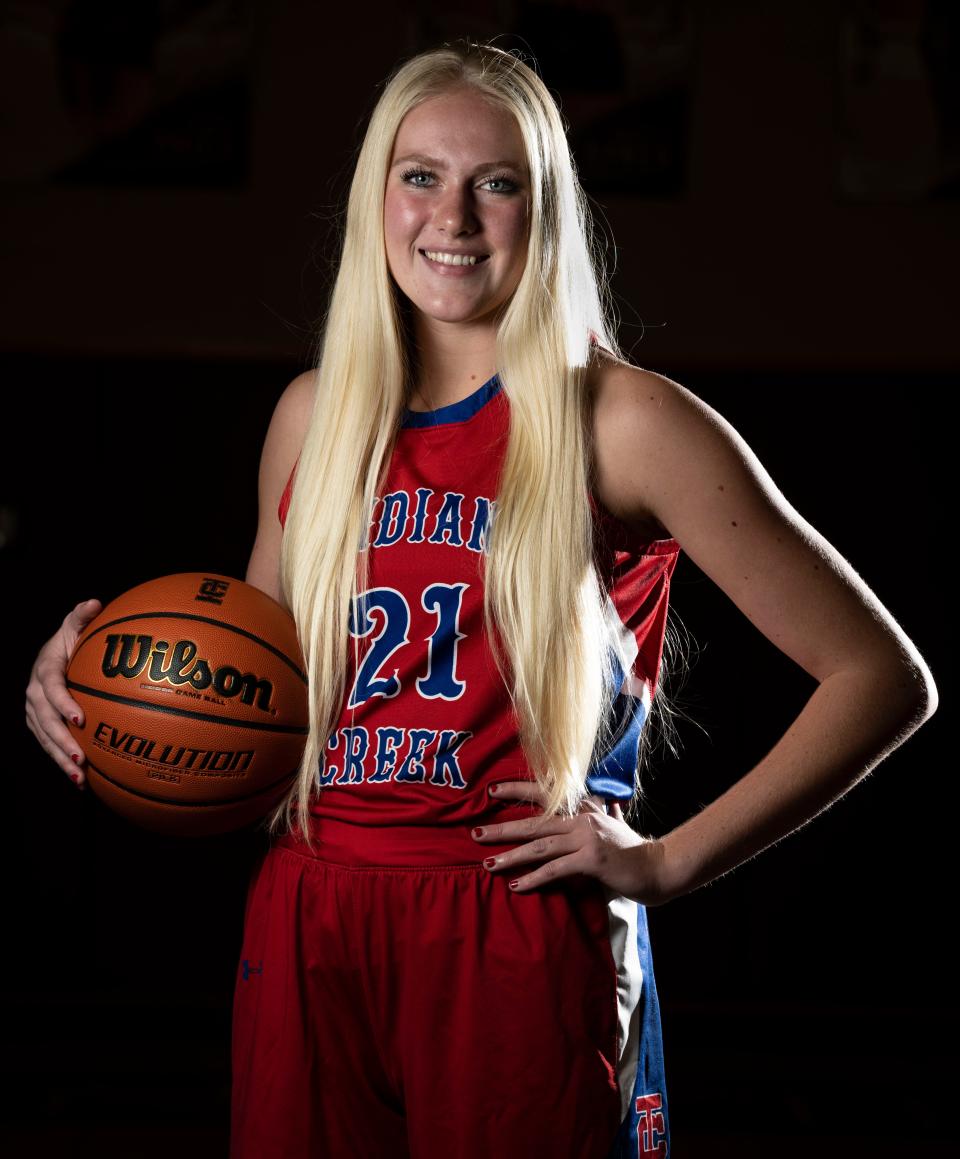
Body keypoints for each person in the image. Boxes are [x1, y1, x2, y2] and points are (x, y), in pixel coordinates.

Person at [25, 40, 936, 1159]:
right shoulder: (313, 416)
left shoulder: (626, 420)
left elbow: (883, 676)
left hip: (507, 919)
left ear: (542, 208)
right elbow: (255, 689)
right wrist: (95, 688)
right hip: (311, 905)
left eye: (496, 183)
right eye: (421, 176)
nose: (453, 215)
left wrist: (668, 860)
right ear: (377, 198)